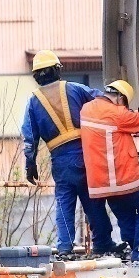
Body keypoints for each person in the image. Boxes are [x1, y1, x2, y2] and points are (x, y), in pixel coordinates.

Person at [21, 50, 121, 257]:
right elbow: (103, 101)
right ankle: (103, 243)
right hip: (86, 154)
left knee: (64, 203)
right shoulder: (75, 89)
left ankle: (65, 248)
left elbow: (29, 137)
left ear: (36, 76)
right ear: (57, 70)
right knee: (93, 201)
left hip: (60, 160)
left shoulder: (33, 102)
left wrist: (30, 164)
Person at [79, 80, 139, 262]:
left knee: (124, 214)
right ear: (121, 98)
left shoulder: (87, 109)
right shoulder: (118, 113)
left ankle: (133, 247)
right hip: (123, 178)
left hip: (100, 183)